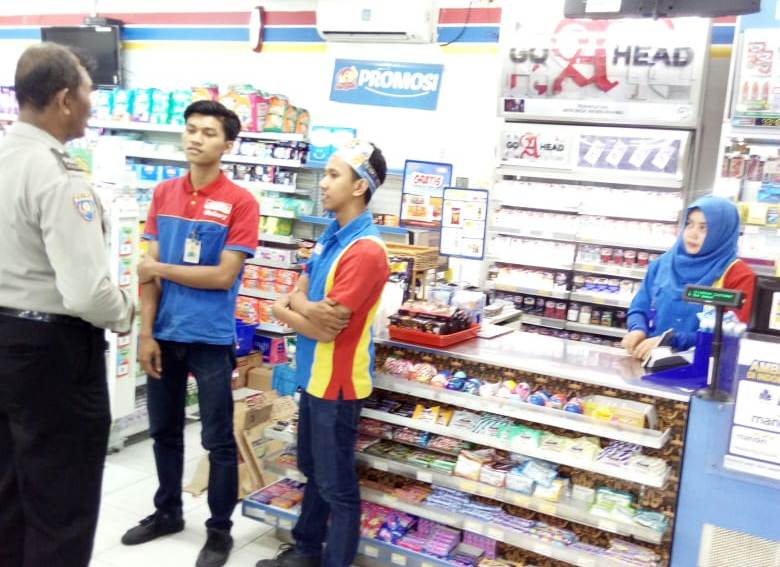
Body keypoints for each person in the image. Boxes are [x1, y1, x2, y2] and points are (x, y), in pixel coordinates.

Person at [0, 43, 135, 567]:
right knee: (61, 503)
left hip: (6, 344)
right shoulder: (58, 176)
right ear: (63, 100)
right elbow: (85, 293)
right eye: (87, 92)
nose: (91, 103)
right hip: (52, 356)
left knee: (10, 493)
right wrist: (125, 310)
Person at [120, 100, 259, 567]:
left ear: (228, 145)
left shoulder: (241, 202)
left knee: (218, 440)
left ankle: (219, 531)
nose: (196, 138)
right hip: (164, 334)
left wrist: (159, 268)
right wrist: (146, 333)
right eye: (191, 129)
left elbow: (222, 276)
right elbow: (146, 274)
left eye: (208, 132)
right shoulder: (164, 193)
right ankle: (168, 513)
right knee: (164, 432)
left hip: (211, 338)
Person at [258, 140, 390, 567]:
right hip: (313, 377)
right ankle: (306, 551)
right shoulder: (331, 236)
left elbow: (322, 328)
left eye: (334, 175)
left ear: (359, 186)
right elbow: (298, 289)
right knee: (313, 470)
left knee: (337, 486)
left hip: (338, 386)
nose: (323, 182)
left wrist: (286, 309)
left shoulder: (366, 251)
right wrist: (299, 304)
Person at [622, 195, 755, 361]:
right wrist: (637, 329)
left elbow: (729, 335)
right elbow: (639, 306)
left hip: (706, 368)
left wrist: (672, 340)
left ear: (722, 232)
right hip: (651, 361)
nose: (692, 234)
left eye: (703, 228)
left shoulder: (739, 275)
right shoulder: (663, 263)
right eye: (689, 224)